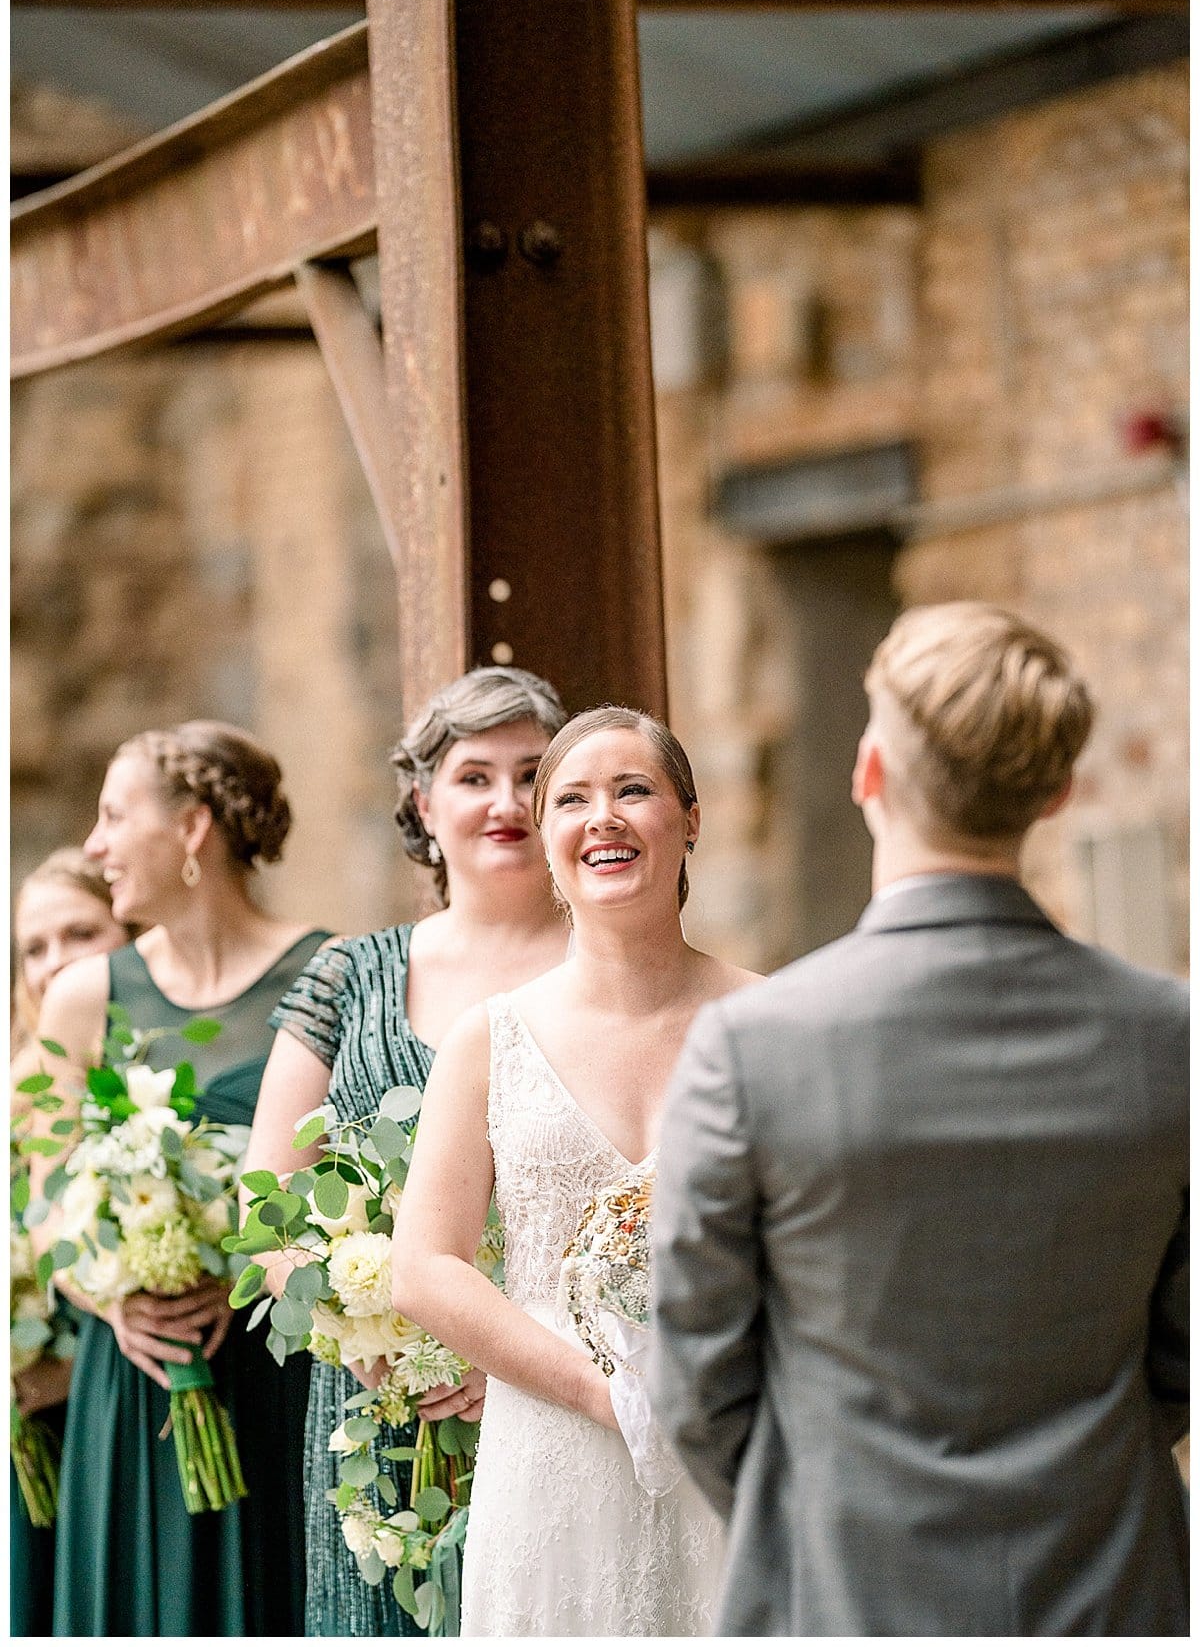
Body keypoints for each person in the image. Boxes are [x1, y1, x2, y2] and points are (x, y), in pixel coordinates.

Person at [650, 601, 1189, 1636]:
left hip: (841, 1586)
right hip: (1112, 1580)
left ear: (869, 773)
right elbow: (1181, 1351)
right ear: (1059, 790)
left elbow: (698, 1377)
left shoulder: (753, 1045)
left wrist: (815, 1509)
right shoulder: (1172, 1037)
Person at [392, 705, 760, 1636]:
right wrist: (608, 1397)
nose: (604, 817)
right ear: (550, 836)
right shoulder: (489, 1038)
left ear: (690, 819)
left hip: (733, 1435)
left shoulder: (774, 1024)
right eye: (573, 799)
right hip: (552, 1451)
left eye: (633, 791)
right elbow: (423, 1267)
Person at [244, 665, 569, 1636]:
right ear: (425, 802)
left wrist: (504, 1349)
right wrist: (376, 1337)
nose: (507, 800)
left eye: (533, 773)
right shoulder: (348, 975)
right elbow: (269, 1206)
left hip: (553, 1397)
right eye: (476, 775)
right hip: (373, 1414)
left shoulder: (614, 972)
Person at [33, 721, 329, 1636]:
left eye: (116, 816)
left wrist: (248, 1269)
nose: (95, 844)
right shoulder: (85, 996)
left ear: (194, 828)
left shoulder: (331, 973)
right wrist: (110, 1288)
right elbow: (34, 1192)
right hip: (135, 1379)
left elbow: (365, 1189)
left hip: (280, 1369)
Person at [10, 850, 130, 1637]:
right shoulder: (20, 1079)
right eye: (34, 947)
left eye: (81, 933)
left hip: (106, 1386)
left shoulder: (151, 1083)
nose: (55, 963)